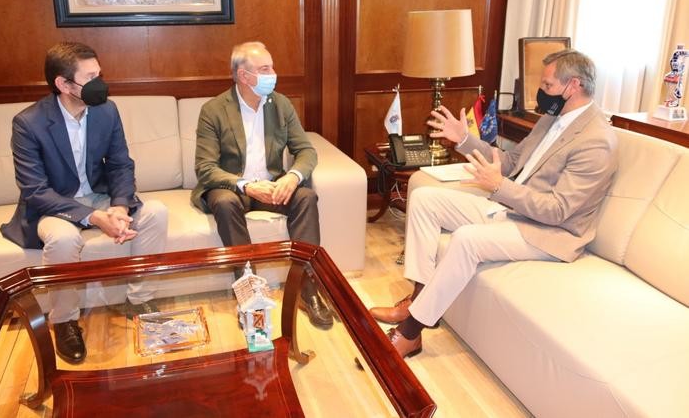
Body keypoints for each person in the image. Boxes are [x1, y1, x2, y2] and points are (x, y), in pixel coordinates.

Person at [369, 49, 618, 357]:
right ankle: (418, 300)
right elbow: (511, 161)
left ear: (574, 86)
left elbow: (558, 211)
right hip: (514, 210)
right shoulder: (551, 119)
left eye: (549, 85)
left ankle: (410, 333)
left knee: (466, 239)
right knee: (424, 199)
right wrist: (464, 140)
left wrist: (500, 187)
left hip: (550, 234)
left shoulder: (596, 140)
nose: (541, 93)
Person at [0, 42, 168, 364]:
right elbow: (35, 190)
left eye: (100, 74)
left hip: (100, 194)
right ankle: (64, 321)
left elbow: (120, 164)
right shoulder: (28, 123)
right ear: (63, 85)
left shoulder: (106, 110)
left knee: (156, 213)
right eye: (90, 78)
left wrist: (118, 206)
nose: (100, 84)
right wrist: (94, 217)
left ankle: (140, 300)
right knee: (64, 238)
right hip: (54, 203)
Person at [191, 41, 333, 328]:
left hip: (270, 185)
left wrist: (292, 177)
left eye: (272, 67)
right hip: (232, 187)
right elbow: (205, 168)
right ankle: (250, 292)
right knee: (225, 201)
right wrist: (244, 185)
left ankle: (307, 287)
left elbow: (306, 151)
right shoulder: (214, 110)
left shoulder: (280, 104)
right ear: (244, 76)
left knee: (306, 196)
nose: (273, 74)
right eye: (265, 69)